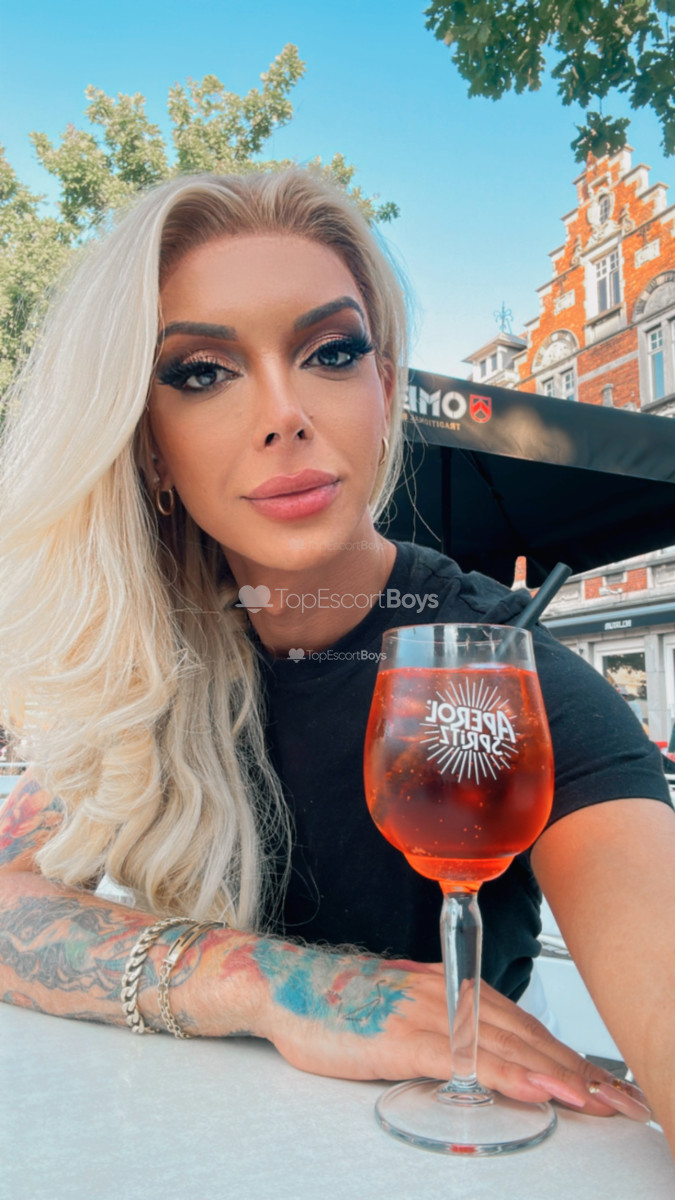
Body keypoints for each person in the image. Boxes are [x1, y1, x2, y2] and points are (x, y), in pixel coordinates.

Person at [0, 169, 673, 1151]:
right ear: (148, 445)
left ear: (384, 391)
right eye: (201, 371)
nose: (284, 414)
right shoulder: (151, 664)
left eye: (331, 352)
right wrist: (290, 988)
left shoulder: (506, 682)